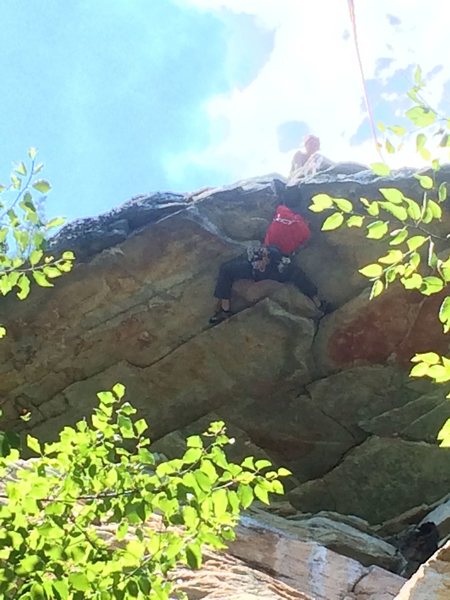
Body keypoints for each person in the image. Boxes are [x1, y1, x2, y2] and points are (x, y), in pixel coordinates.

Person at [209, 199, 323, 325]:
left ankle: (225, 310)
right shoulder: (305, 232)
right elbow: (300, 246)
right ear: (307, 219)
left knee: (227, 269)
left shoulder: (282, 210)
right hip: (280, 267)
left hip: (259, 265)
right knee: (297, 274)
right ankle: (318, 302)